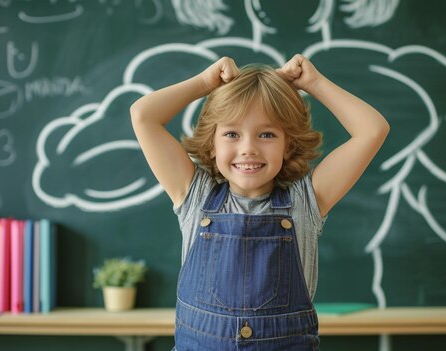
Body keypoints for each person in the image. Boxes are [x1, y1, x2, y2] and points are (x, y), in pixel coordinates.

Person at [130, 54, 389, 350]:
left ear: (287, 144)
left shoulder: (306, 200)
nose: (248, 148)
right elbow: (143, 115)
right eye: (231, 134)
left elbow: (372, 129)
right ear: (212, 145)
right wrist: (204, 82)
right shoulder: (194, 194)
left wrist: (314, 83)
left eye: (266, 134)